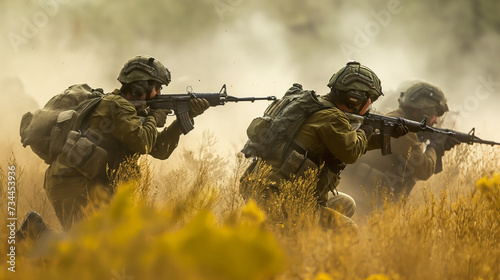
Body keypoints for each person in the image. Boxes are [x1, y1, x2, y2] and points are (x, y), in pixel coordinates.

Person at [17, 55, 210, 238]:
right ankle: (34, 231)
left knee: (104, 246)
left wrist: (184, 119)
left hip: (90, 185)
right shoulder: (117, 106)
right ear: (139, 86)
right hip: (71, 182)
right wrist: (155, 116)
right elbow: (142, 143)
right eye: (156, 87)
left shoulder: (132, 111)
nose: (159, 93)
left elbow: (159, 149)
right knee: (83, 248)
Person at [240, 61, 409, 230]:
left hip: (265, 186)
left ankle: (309, 243)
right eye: (369, 99)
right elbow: (350, 152)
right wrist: (367, 130)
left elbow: (344, 144)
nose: (370, 105)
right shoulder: (332, 117)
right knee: (348, 229)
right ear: (354, 99)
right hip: (279, 197)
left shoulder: (317, 106)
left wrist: (383, 138)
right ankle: (304, 250)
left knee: (346, 204)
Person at [339, 81, 460, 217]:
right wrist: (435, 147)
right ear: (420, 110)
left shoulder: (397, 120)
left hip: (366, 199)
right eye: (435, 114)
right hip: (363, 203)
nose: (436, 121)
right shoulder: (400, 128)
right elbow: (423, 170)